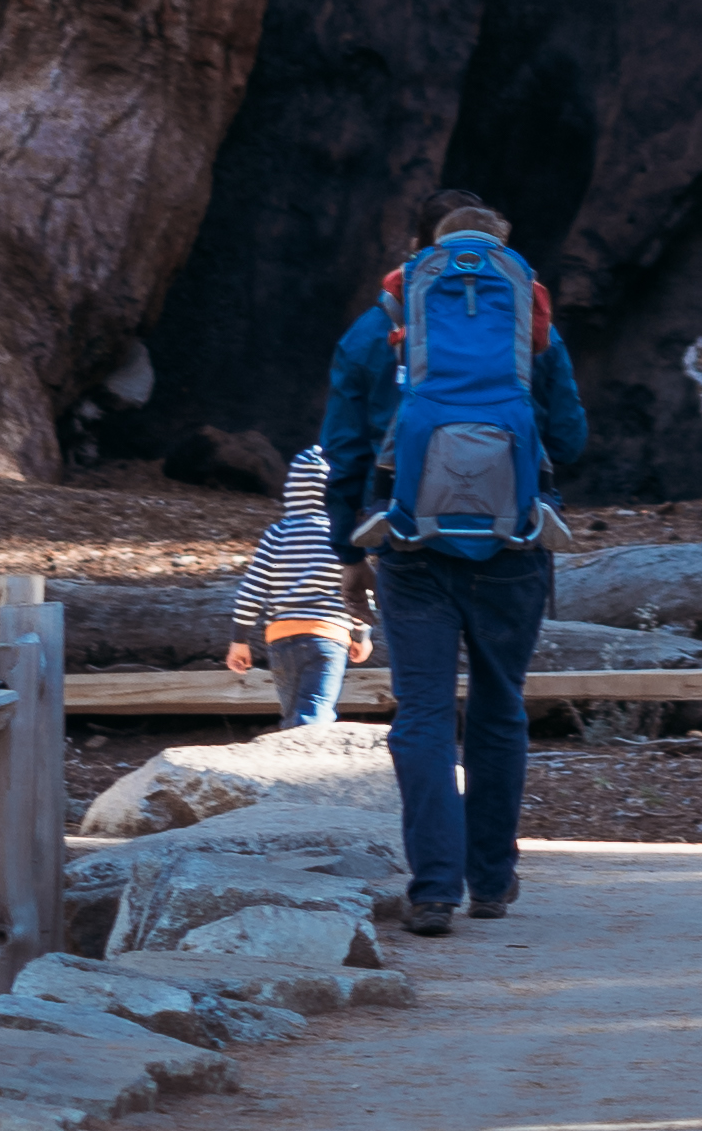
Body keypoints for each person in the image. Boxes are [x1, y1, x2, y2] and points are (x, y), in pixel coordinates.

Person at [318, 187, 587, 936]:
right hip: (513, 546)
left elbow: (340, 454)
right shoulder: (530, 328)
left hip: (410, 548)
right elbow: (568, 438)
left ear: (421, 252)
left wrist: (349, 553)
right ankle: (492, 882)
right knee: (500, 709)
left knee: (425, 715)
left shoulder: (378, 332)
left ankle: (433, 889)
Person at [222, 449, 364, 726]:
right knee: (314, 714)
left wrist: (239, 639)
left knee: (293, 716)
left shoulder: (277, 534)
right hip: (328, 638)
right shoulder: (341, 535)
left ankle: (292, 762)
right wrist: (361, 634)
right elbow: (357, 590)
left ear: (291, 490)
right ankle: (311, 766)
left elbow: (252, 589)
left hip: (282, 640)